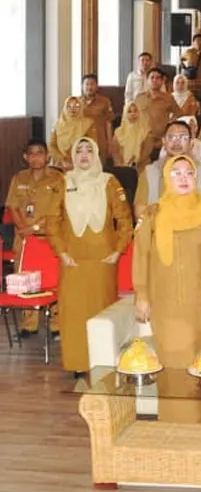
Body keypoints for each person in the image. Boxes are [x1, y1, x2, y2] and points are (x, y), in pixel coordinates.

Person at [133, 155, 201, 423]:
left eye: (189, 173)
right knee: (172, 367)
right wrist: (141, 295)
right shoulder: (153, 213)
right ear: (166, 178)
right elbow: (140, 256)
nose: (183, 178)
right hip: (164, 304)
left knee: (199, 364)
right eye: (176, 173)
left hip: (200, 303)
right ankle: (174, 425)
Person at [49, 137, 132, 374]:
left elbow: (125, 220)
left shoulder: (109, 182)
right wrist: (61, 252)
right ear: (73, 155)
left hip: (102, 259)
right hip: (72, 260)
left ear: (96, 154)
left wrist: (118, 250)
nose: (84, 155)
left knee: (101, 311)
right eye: (79, 150)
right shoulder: (63, 182)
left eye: (89, 150)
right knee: (73, 313)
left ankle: (102, 361)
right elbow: (52, 222)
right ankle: (77, 363)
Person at [5, 139, 65, 335]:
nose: (36, 157)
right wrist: (24, 229)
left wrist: (37, 227)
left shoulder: (58, 179)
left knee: (54, 279)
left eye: (40, 152)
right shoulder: (19, 178)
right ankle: (28, 324)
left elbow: (60, 210)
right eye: (32, 153)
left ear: (47, 155)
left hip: (50, 236)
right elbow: (12, 206)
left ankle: (56, 323)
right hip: (24, 238)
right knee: (25, 279)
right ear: (26, 157)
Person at [135, 120, 201, 214]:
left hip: (195, 227)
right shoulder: (149, 172)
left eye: (183, 137)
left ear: (191, 142)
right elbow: (140, 213)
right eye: (171, 137)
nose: (176, 142)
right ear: (164, 141)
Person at [49, 96, 97, 170]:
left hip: (81, 164)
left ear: (81, 107)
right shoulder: (57, 124)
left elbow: (93, 145)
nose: (72, 108)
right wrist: (62, 160)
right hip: (59, 164)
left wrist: (75, 162)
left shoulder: (88, 124)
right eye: (69, 106)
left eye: (76, 105)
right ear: (65, 107)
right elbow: (51, 145)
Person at [79, 74, 114, 162]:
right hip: (81, 142)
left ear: (97, 86)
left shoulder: (104, 101)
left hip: (100, 142)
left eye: (92, 84)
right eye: (87, 84)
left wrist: (109, 143)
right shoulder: (76, 102)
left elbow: (108, 123)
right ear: (82, 86)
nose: (89, 87)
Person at [111, 103, 153, 169]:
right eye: (129, 111)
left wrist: (134, 163)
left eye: (135, 111)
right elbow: (115, 152)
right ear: (125, 114)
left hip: (141, 167)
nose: (132, 114)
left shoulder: (146, 132)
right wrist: (121, 165)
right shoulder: (118, 132)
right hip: (121, 167)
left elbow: (146, 152)